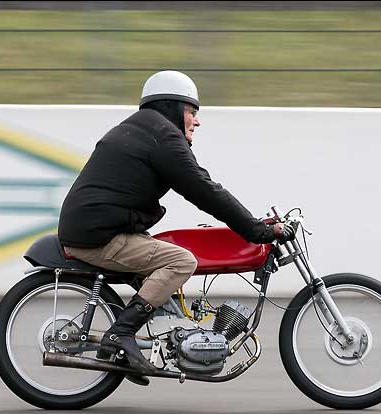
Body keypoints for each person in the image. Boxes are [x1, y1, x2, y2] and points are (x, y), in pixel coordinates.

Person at [58, 70, 294, 374]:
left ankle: (150, 338)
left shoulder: (144, 129)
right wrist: (257, 230)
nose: (197, 120)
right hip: (98, 235)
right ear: (172, 106)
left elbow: (201, 185)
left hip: (94, 227)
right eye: (192, 111)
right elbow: (204, 190)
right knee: (182, 261)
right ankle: (120, 335)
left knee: (165, 251)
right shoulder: (162, 136)